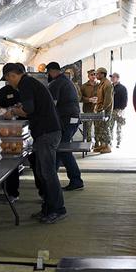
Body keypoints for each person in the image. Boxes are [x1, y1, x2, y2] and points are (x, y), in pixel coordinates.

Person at [1, 63, 67, 224]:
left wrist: (13, 111)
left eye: (8, 80)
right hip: (46, 132)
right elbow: (32, 106)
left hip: (47, 133)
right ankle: (48, 207)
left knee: (47, 173)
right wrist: (19, 106)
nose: (9, 83)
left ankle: (58, 209)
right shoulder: (29, 83)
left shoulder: (25, 85)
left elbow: (29, 109)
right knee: (41, 171)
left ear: (12, 75)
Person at [46, 61, 84, 191]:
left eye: (48, 73)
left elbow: (52, 105)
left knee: (63, 149)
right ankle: (52, 179)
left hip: (67, 120)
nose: (48, 75)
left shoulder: (57, 83)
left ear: (52, 71)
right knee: (59, 148)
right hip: (71, 119)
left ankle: (76, 179)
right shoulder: (66, 81)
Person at [0, 72, 25, 203]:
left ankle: (44, 193)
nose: (8, 81)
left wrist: (19, 110)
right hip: (10, 131)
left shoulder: (27, 88)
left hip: (29, 129)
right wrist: (6, 111)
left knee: (36, 162)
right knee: (11, 161)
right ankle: (12, 193)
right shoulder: (4, 90)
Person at [93, 67, 114, 153]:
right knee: (99, 128)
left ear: (102, 74)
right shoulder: (101, 83)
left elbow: (108, 100)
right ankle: (102, 145)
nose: (96, 75)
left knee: (105, 128)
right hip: (100, 109)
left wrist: (103, 109)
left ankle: (108, 147)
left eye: (97, 74)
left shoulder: (107, 84)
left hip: (105, 110)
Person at [109, 72, 127, 148]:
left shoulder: (122, 88)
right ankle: (110, 142)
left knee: (119, 127)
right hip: (111, 110)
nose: (112, 78)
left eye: (113, 77)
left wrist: (122, 110)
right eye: (111, 77)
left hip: (119, 110)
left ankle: (118, 142)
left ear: (117, 78)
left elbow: (125, 100)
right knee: (110, 126)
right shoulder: (110, 87)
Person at [79, 69, 98, 142]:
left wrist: (98, 99)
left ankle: (97, 144)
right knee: (87, 128)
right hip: (88, 109)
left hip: (97, 110)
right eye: (92, 75)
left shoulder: (99, 85)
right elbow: (80, 98)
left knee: (98, 128)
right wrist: (89, 99)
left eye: (95, 74)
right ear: (88, 76)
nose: (94, 76)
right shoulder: (84, 86)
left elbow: (103, 96)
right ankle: (88, 143)